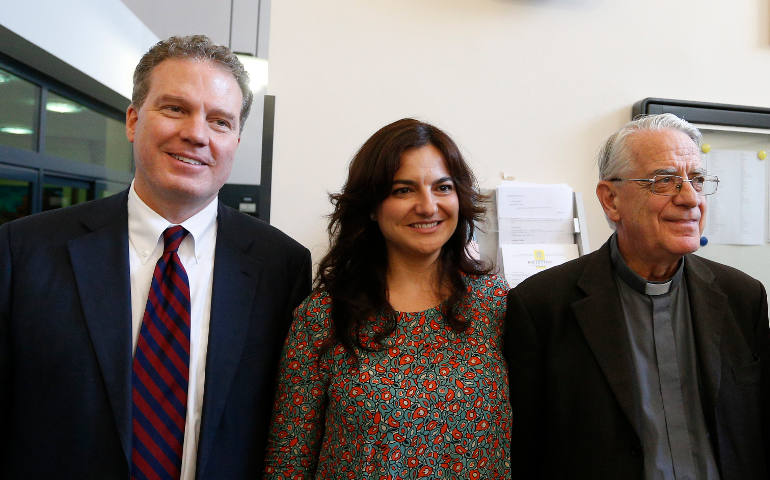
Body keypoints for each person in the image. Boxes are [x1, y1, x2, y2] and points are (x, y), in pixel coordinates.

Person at [0, 35, 311, 479]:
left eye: (220, 121)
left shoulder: (282, 266)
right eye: (175, 109)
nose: (197, 134)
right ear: (132, 120)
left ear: (236, 141)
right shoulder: (24, 251)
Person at [506, 113, 770, 479]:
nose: (691, 198)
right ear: (611, 200)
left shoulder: (743, 297)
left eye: (696, 179)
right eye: (665, 182)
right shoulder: (542, 307)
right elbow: (530, 453)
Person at [263, 118, 511, 479]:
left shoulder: (496, 304)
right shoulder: (324, 315)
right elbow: (289, 460)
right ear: (371, 206)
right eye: (403, 190)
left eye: (442, 187)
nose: (428, 207)